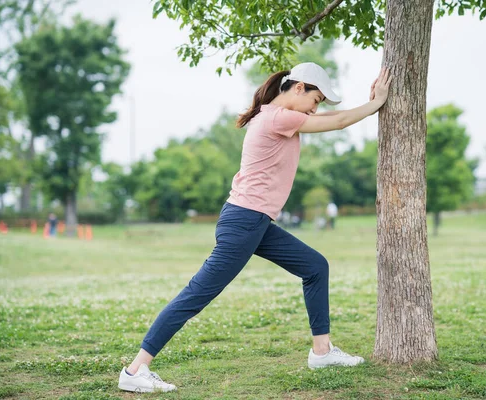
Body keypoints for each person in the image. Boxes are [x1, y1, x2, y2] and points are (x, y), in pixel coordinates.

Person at [118, 62, 392, 393]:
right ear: (299, 88)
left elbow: (333, 118)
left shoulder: (272, 115)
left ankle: (322, 351)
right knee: (196, 295)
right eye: (316, 99)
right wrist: (376, 103)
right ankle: (135, 370)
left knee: (315, 267)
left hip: (254, 222)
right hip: (245, 221)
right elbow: (339, 121)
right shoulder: (279, 117)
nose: (315, 108)